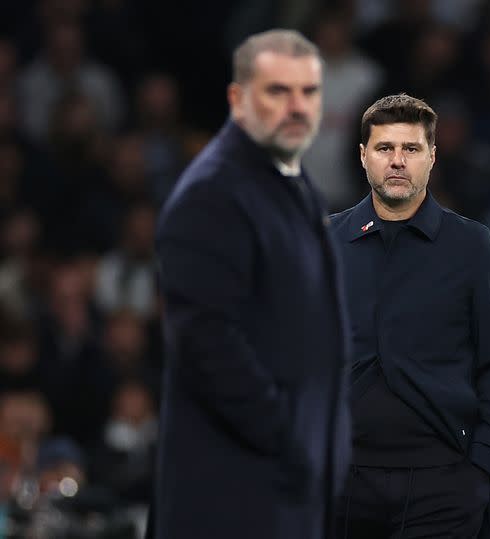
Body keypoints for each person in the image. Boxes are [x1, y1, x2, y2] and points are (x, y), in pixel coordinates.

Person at [150, 30, 351, 539]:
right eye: (277, 91)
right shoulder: (213, 193)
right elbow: (207, 342)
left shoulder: (293, 184)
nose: (297, 107)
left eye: (308, 92)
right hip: (234, 495)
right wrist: (287, 438)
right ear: (238, 99)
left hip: (289, 492)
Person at [331, 94, 490, 538]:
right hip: (339, 484)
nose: (397, 161)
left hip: (444, 487)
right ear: (363, 157)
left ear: (432, 157)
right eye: (384, 148)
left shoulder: (472, 247)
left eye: (411, 149)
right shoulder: (324, 245)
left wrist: (483, 469)